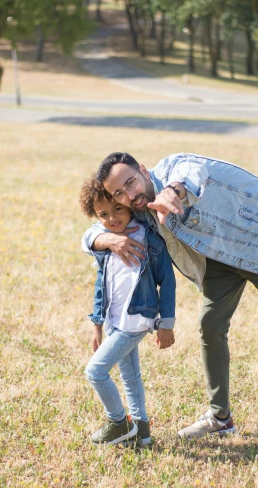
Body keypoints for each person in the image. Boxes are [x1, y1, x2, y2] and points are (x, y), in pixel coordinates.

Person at [82, 152, 258, 460]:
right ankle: (220, 418)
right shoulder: (136, 208)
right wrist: (107, 241)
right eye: (119, 194)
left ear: (142, 169)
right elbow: (92, 232)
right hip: (222, 258)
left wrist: (174, 191)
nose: (129, 196)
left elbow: (193, 172)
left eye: (130, 183)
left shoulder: (172, 169)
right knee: (210, 327)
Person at [78, 175, 176, 446]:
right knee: (130, 377)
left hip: (136, 320)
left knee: (95, 372)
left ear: (128, 205)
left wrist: (166, 323)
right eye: (104, 214)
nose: (112, 218)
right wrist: (97, 325)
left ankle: (118, 423)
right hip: (114, 322)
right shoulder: (107, 244)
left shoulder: (148, 239)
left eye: (117, 209)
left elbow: (166, 281)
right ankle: (141, 434)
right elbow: (101, 287)